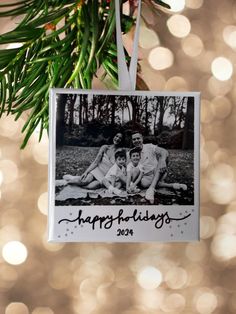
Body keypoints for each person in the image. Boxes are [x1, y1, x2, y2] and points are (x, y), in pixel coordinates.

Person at [131, 131, 187, 203]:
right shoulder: (132, 152)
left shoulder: (149, 146)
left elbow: (164, 151)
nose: (136, 141)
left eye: (138, 138)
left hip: (158, 172)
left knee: (162, 157)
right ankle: (172, 185)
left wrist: (163, 160)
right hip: (145, 178)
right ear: (132, 141)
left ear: (142, 138)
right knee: (144, 183)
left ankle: (151, 189)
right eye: (134, 139)